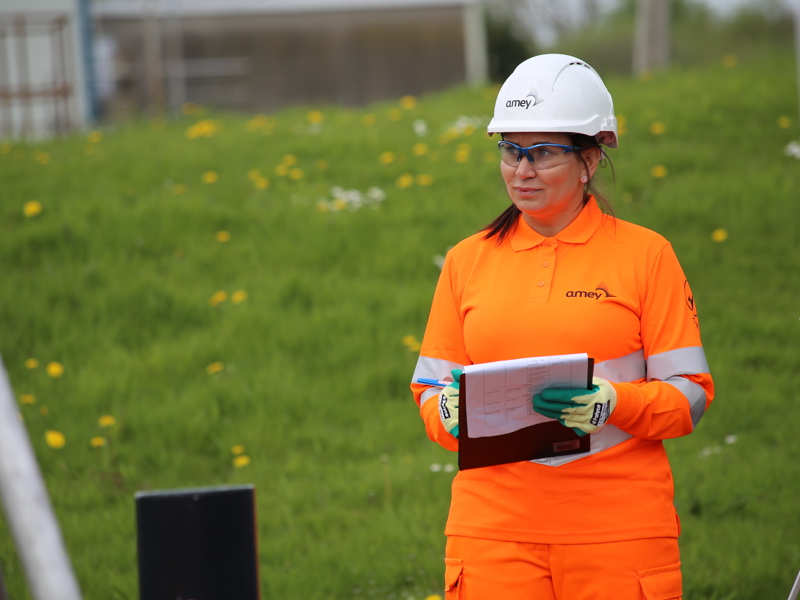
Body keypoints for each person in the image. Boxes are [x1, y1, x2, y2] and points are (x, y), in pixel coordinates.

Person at [410, 54, 714, 600]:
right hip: (492, 534)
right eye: (510, 150)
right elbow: (430, 389)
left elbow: (689, 396)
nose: (521, 171)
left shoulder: (647, 256)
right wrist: (446, 412)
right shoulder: (465, 261)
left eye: (543, 153)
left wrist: (613, 403)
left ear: (590, 160)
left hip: (618, 533)